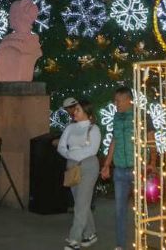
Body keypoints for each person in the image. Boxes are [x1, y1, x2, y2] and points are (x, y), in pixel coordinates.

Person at [101, 87, 156, 250]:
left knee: (140, 208)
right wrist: (106, 165)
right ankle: (120, 245)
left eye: (118, 100)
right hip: (119, 169)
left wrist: (152, 162)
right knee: (119, 210)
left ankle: (142, 241)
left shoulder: (142, 116)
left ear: (128, 100)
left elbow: (151, 140)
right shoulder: (116, 118)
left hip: (138, 168)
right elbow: (114, 141)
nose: (115, 104)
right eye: (115, 100)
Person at [57, 98, 101, 250]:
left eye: (78, 110)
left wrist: (73, 154)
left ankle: (74, 239)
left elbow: (92, 150)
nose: (74, 112)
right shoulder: (70, 128)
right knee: (81, 203)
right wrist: (70, 155)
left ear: (86, 113)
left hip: (88, 166)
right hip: (72, 167)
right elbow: (61, 147)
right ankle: (90, 233)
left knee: (81, 203)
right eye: (74, 110)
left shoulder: (93, 129)